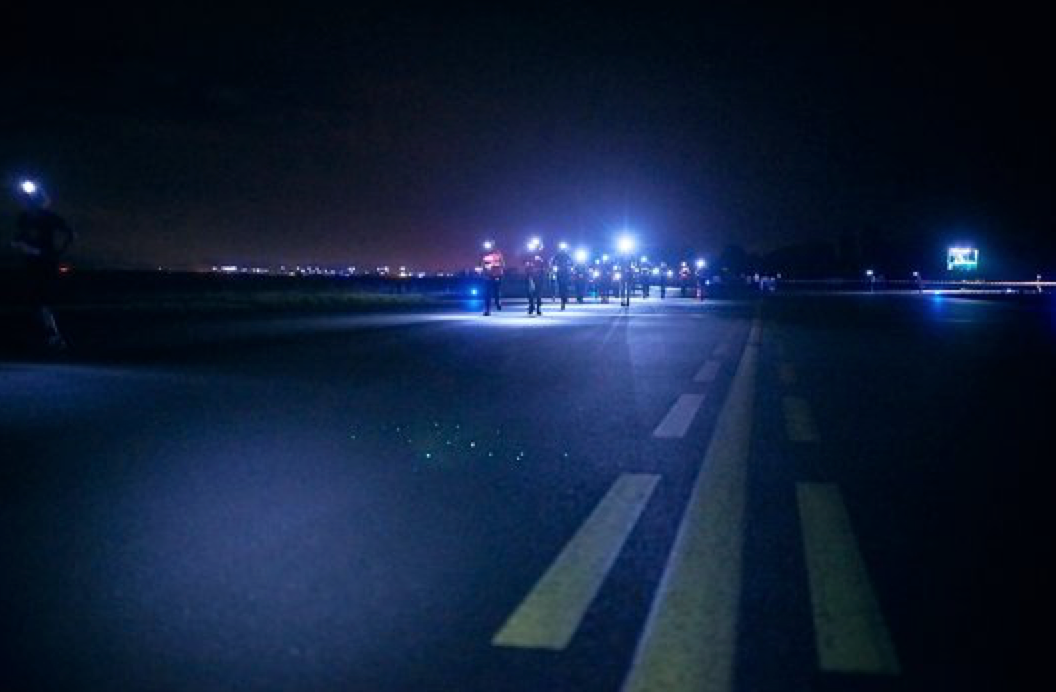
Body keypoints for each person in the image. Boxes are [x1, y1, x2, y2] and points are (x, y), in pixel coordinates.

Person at [11, 181, 76, 352]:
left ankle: (54, 337)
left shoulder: (49, 217)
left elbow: (70, 234)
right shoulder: (24, 218)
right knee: (35, 301)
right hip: (30, 264)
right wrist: (21, 247)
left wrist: (56, 253)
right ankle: (46, 337)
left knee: (42, 301)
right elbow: (17, 239)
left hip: (46, 263)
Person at [480, 240, 504, 316]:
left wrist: (495, 266)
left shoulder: (498, 255)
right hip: (488, 276)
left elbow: (502, 264)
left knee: (496, 291)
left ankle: (497, 302)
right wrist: (483, 271)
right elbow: (482, 265)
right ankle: (487, 310)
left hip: (497, 276)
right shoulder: (484, 256)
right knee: (487, 293)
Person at [524, 242, 546, 316]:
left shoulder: (543, 256)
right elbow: (525, 264)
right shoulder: (529, 255)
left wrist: (543, 270)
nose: (537, 249)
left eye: (538, 247)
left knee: (538, 293)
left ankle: (538, 308)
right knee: (530, 293)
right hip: (531, 276)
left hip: (540, 277)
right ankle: (531, 306)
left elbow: (546, 265)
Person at [550, 244, 573, 310]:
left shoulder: (566, 255)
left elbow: (572, 263)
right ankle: (563, 299)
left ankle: (564, 298)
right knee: (561, 286)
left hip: (565, 272)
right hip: (560, 272)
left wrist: (569, 267)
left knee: (564, 286)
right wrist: (554, 267)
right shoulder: (558, 255)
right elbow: (553, 262)